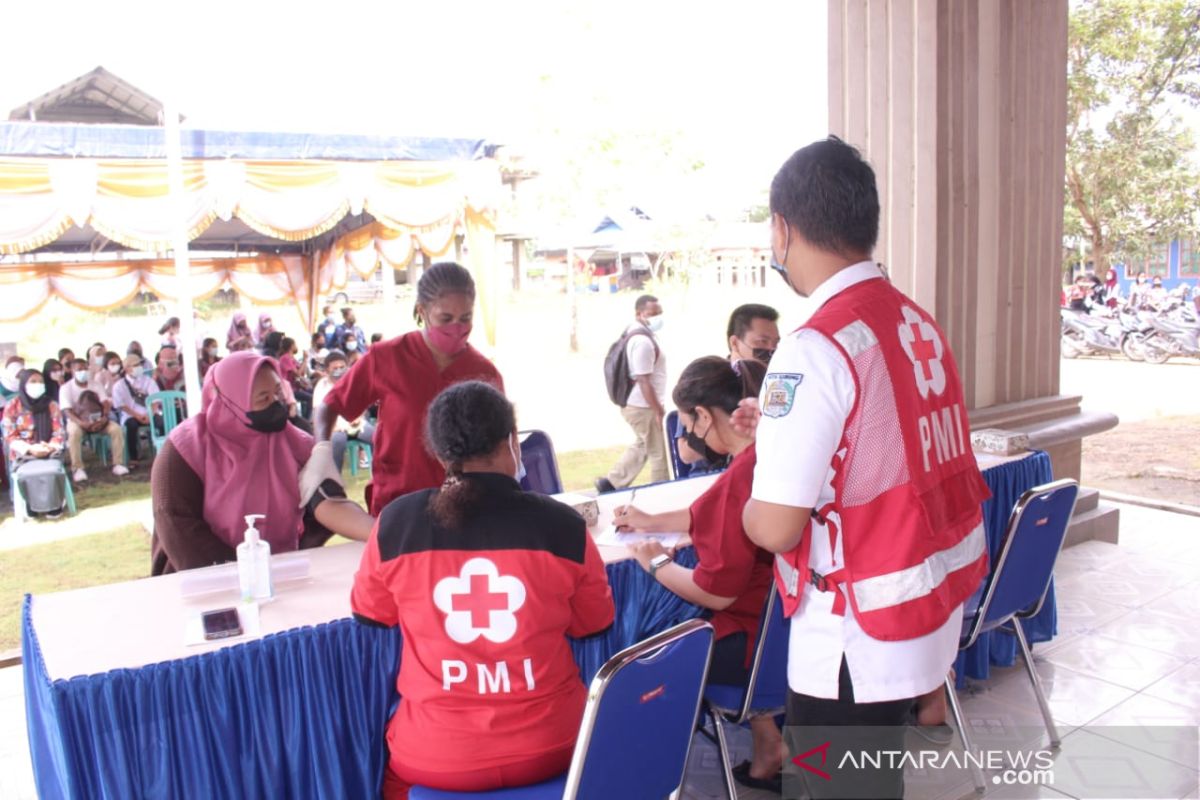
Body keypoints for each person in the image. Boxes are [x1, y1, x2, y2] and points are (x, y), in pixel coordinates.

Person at [739, 138, 990, 799]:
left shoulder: (814, 346)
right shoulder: (915, 320)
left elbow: (773, 528)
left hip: (855, 631)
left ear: (783, 229)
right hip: (920, 610)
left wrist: (751, 494)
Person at [350, 380, 614, 797]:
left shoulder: (396, 524)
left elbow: (372, 613)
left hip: (435, 754)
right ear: (512, 442)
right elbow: (593, 624)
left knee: (396, 780)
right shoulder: (564, 526)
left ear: (439, 453)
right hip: (554, 743)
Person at [615, 356, 783, 791]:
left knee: (640, 652)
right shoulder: (769, 455)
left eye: (689, 421)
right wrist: (649, 522)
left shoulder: (740, 477)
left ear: (703, 416)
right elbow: (712, 515)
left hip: (744, 639)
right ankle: (769, 747)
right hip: (780, 634)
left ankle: (647, 776)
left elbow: (717, 594)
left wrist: (655, 562)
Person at [303, 262, 505, 516]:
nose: (457, 327)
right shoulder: (387, 358)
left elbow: (502, 447)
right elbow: (331, 405)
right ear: (422, 310)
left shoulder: (484, 374)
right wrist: (321, 449)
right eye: (446, 318)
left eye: (465, 318)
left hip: (463, 509)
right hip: (396, 503)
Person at [150, 352, 373, 575]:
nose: (276, 404)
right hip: (201, 578)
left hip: (276, 576)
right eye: (263, 399)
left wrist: (378, 530)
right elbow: (175, 521)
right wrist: (241, 571)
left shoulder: (297, 444)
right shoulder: (184, 450)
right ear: (229, 402)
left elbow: (327, 504)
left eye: (277, 393)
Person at [596, 294, 668, 493]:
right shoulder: (642, 342)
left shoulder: (635, 333)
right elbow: (643, 380)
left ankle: (611, 482)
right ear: (639, 313)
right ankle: (661, 492)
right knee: (659, 453)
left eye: (659, 313)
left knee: (643, 445)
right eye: (653, 313)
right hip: (643, 405)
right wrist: (658, 410)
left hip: (637, 404)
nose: (657, 317)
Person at [2, 370, 69, 516]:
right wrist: (30, 449)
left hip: (49, 451)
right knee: (28, 474)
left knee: (51, 470)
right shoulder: (12, 406)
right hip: (23, 454)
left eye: (40, 382)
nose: (37, 385)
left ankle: (54, 505)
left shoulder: (51, 405)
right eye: (33, 381)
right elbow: (10, 435)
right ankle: (31, 505)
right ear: (24, 384)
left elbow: (59, 432)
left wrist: (49, 446)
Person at [59, 358, 129, 482]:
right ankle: (78, 468)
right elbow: (67, 411)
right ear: (72, 371)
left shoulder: (95, 384)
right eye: (79, 370)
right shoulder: (66, 388)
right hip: (77, 421)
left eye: (85, 369)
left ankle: (118, 463)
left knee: (116, 429)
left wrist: (104, 417)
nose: (83, 372)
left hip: (99, 419)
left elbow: (105, 403)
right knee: (74, 433)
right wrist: (82, 423)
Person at [312, 350, 375, 473]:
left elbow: (362, 406)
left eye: (342, 367)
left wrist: (358, 418)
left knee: (378, 438)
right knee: (337, 442)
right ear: (327, 370)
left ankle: (381, 475)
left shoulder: (353, 382)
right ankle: (335, 479)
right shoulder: (322, 386)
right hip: (334, 427)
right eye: (335, 368)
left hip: (356, 424)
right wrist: (333, 426)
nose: (339, 370)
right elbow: (319, 412)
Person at [112, 354, 158, 468]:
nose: (139, 367)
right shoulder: (119, 385)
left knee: (162, 422)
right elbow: (122, 406)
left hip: (149, 413)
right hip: (131, 415)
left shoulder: (148, 381)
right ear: (127, 369)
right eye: (135, 365)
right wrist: (137, 416)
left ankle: (161, 454)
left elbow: (156, 399)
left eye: (140, 364)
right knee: (131, 426)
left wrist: (150, 414)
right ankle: (134, 458)